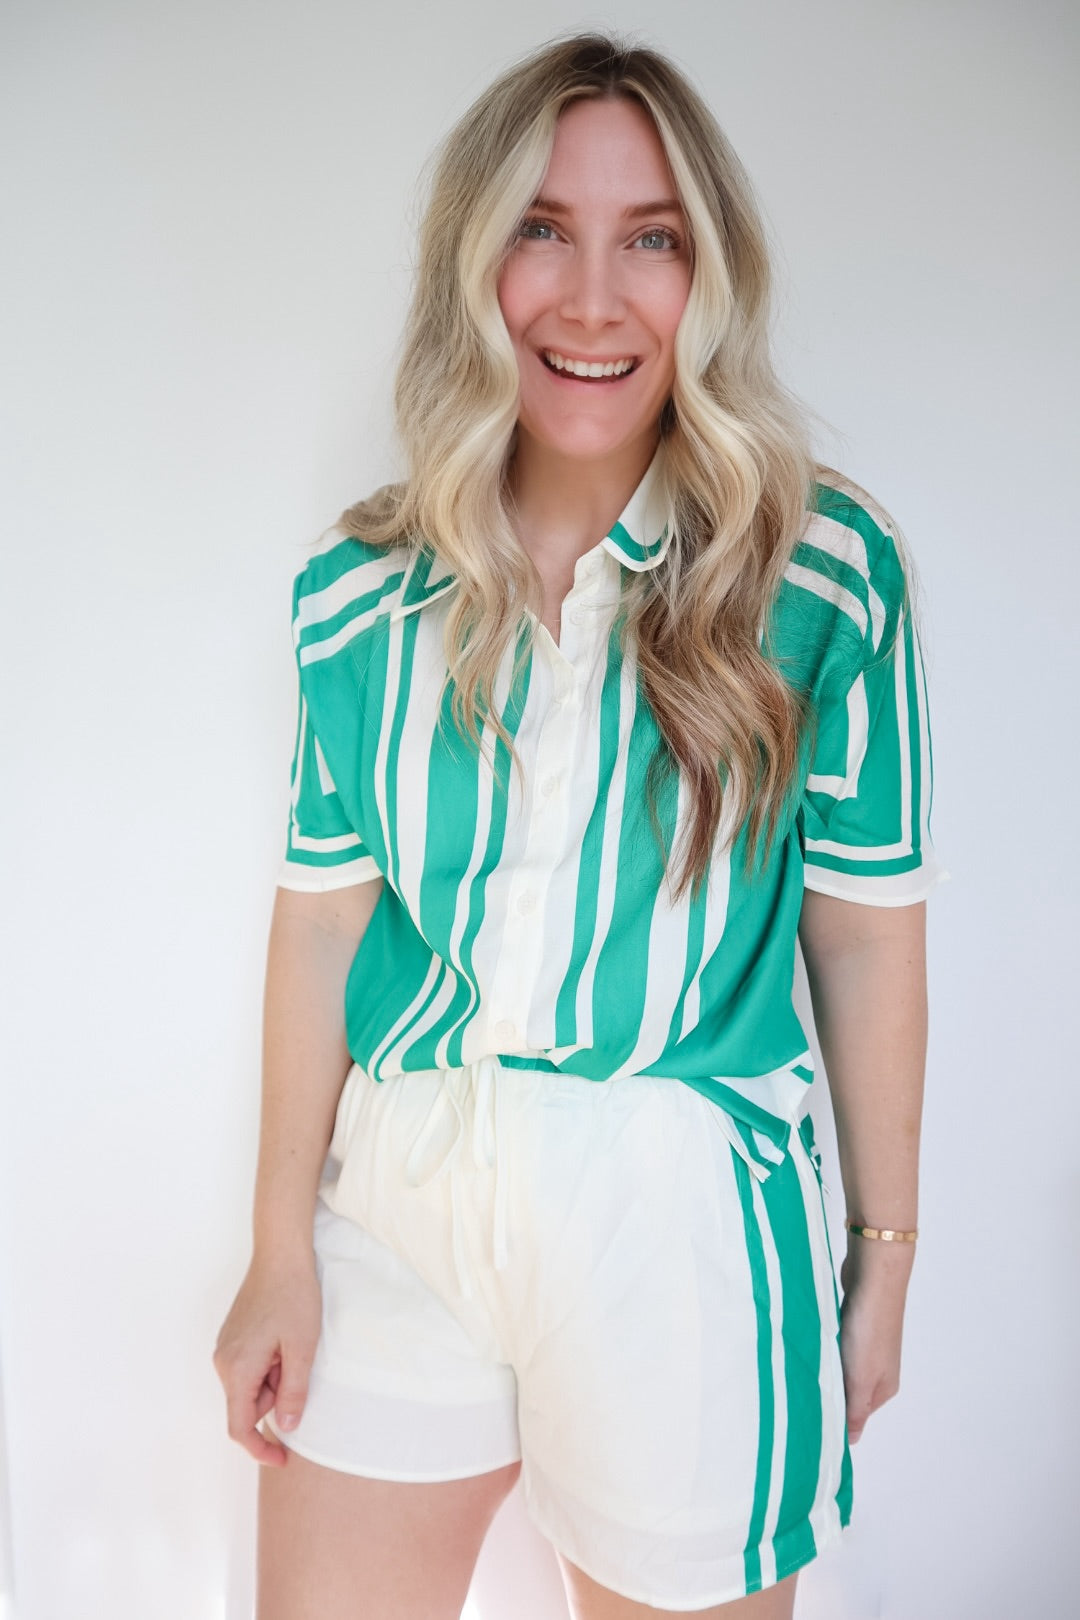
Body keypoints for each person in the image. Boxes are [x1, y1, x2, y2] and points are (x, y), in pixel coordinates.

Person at [213, 30, 944, 1620]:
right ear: (475, 262)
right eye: (544, 228)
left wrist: (884, 1253)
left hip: (677, 1214)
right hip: (404, 1188)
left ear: (709, 278)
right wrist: (277, 1244)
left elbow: (866, 936)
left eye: (652, 239)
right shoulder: (356, 594)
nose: (595, 299)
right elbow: (323, 920)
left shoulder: (823, 576)